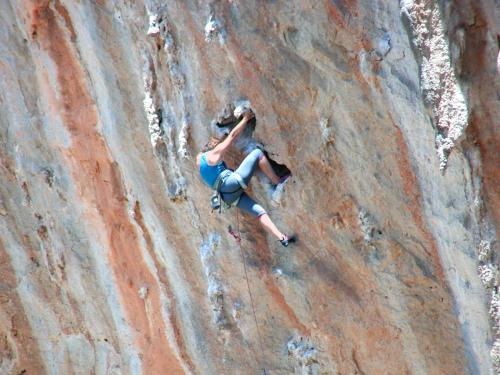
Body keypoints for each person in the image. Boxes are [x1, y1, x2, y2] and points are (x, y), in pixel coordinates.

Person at [196, 110, 296, 247]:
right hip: (231, 183)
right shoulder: (213, 155)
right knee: (257, 153)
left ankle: (282, 237)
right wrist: (245, 119)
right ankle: (277, 182)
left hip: (227, 197)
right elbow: (232, 136)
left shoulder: (199, 160)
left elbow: (205, 151)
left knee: (259, 212)